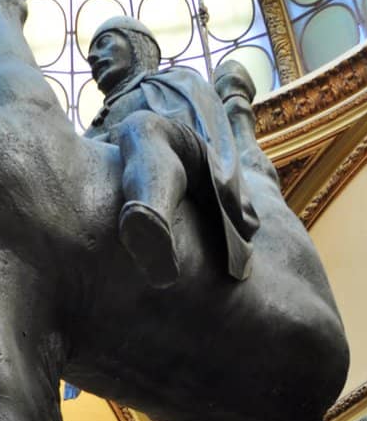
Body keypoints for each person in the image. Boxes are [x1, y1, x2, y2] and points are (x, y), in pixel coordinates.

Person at [84, 16, 259, 289]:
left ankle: (151, 222)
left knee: (140, 124)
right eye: (91, 53)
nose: (94, 57)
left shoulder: (176, 81)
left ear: (136, 45)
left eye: (104, 43)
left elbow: (200, 128)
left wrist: (122, 133)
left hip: (185, 155)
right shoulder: (95, 122)